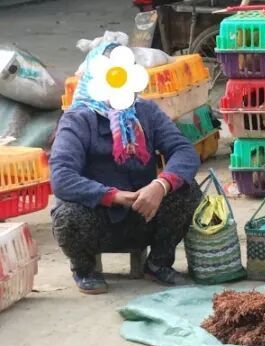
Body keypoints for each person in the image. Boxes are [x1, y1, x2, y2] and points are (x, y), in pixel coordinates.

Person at [50, 43, 200, 295]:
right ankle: (84, 269)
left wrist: (160, 185)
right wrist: (113, 196)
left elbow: (184, 151)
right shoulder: (77, 119)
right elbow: (61, 177)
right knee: (67, 216)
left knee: (188, 190)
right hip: (96, 220)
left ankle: (158, 263)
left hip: (144, 213)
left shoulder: (146, 111)